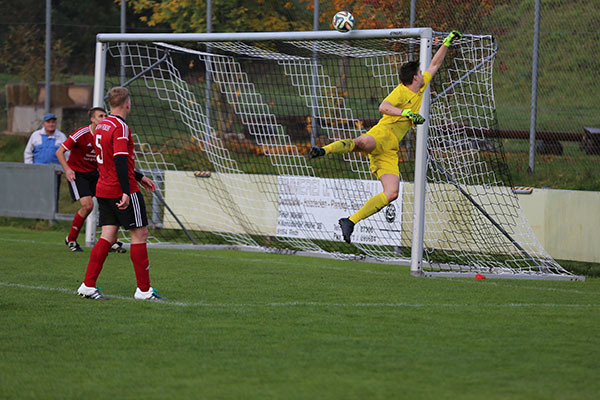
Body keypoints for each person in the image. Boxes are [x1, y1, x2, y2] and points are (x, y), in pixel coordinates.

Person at [309, 30, 462, 243]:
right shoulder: (401, 91)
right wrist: (406, 113)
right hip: (381, 135)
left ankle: (350, 221)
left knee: (392, 193)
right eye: (419, 71)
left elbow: (435, 64)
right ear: (414, 77)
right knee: (361, 142)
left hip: (390, 151)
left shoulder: (421, 86)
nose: (422, 72)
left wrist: (446, 43)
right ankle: (323, 150)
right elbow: (384, 106)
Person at [76, 87, 163, 301]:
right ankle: (144, 290)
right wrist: (126, 190)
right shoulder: (120, 127)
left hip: (103, 188)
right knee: (139, 235)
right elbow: (120, 160)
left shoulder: (102, 125)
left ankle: (88, 285)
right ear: (127, 103)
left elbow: (113, 159)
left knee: (107, 236)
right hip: (121, 190)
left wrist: (140, 176)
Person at [56, 107, 127, 253]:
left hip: (96, 173)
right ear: (92, 119)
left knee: (111, 202)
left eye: (106, 115)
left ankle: (112, 242)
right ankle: (71, 239)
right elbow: (60, 151)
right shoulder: (82, 133)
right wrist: (68, 169)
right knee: (88, 206)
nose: (104, 118)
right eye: (100, 116)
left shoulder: (107, 133)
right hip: (78, 174)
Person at [24, 113, 67, 212]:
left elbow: (67, 154)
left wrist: (63, 169)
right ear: (44, 123)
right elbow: (28, 153)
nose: (51, 124)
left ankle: (52, 216)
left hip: (55, 173)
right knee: (37, 193)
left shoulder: (61, 136)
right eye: (48, 122)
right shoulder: (35, 135)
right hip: (38, 172)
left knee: (54, 194)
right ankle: (37, 214)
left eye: (53, 122)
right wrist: (30, 168)